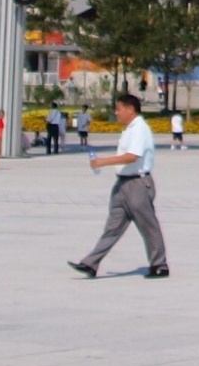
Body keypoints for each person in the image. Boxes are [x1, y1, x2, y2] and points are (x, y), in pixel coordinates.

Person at [67, 92, 168, 279]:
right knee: (112, 227)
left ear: (130, 109)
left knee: (148, 225)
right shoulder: (129, 129)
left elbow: (133, 156)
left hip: (138, 183)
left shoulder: (140, 129)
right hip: (122, 183)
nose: (117, 112)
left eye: (119, 108)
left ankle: (159, 265)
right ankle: (91, 263)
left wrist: (103, 162)